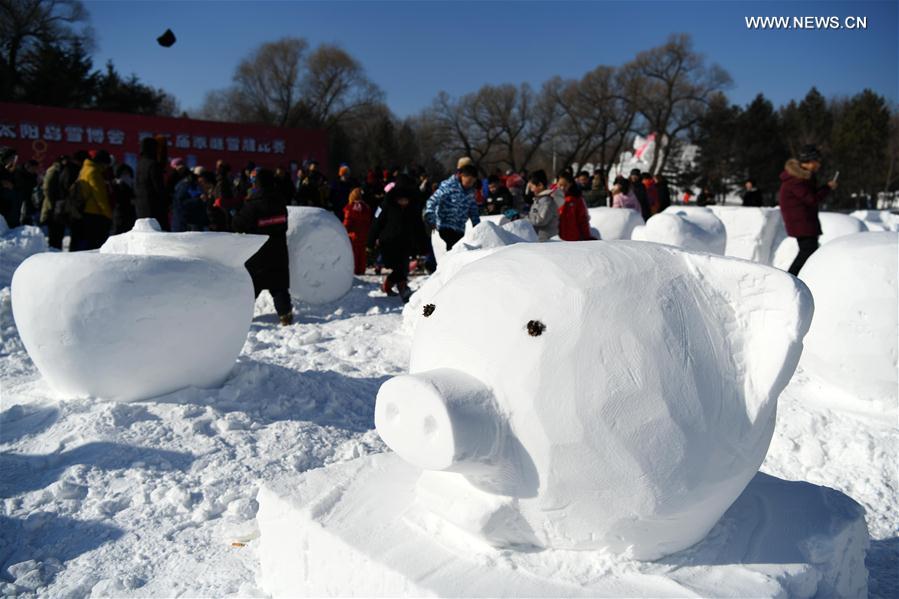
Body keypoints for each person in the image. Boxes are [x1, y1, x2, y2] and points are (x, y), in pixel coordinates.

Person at [231, 168, 293, 326]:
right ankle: (285, 315)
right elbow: (284, 224)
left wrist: (232, 214)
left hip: (258, 253)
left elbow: (238, 224)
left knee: (252, 287)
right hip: (278, 250)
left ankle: (241, 317)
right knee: (279, 286)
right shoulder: (280, 201)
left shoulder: (252, 204)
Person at [778, 145, 837, 276]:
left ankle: (798, 278)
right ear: (810, 161)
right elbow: (811, 199)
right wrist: (827, 188)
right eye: (817, 161)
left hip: (804, 222)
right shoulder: (796, 180)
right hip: (801, 223)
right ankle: (790, 279)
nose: (819, 164)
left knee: (809, 252)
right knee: (807, 252)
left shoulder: (802, 178)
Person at [368, 184, 426, 303]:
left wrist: (422, 245)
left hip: (405, 243)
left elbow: (418, 228)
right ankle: (397, 287)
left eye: (406, 200)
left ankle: (397, 287)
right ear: (395, 198)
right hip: (388, 243)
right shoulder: (386, 206)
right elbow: (376, 224)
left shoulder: (412, 209)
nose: (404, 202)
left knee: (403, 267)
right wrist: (370, 242)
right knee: (399, 268)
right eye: (401, 199)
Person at [424, 163, 480, 251]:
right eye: (468, 181)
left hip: (460, 228)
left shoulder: (471, 193)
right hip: (444, 226)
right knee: (451, 251)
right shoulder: (448, 186)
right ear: (462, 176)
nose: (470, 184)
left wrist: (477, 227)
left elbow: (474, 212)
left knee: (459, 251)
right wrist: (430, 217)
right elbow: (432, 201)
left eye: (472, 182)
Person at [73, 149, 113, 250]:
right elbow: (100, 195)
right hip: (95, 212)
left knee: (86, 242)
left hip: (85, 211)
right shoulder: (94, 172)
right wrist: (108, 214)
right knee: (95, 245)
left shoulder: (85, 169)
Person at [135, 137, 169, 229]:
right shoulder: (153, 164)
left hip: (141, 207)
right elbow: (159, 188)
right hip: (154, 208)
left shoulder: (140, 164)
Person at [556, 171, 594, 241]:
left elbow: (583, 219)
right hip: (556, 239)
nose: (562, 188)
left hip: (572, 238)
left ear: (570, 184)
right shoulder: (552, 197)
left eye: (565, 185)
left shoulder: (576, 199)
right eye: (560, 185)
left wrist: (587, 236)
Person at [343, 187, 372, 275]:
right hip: (364, 234)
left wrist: (343, 229)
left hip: (353, 235)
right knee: (362, 253)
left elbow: (347, 222)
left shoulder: (350, 208)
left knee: (354, 253)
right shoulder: (366, 207)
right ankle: (361, 269)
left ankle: (355, 270)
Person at [40, 155, 67, 248]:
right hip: (52, 206)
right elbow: (46, 188)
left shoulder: (60, 170)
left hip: (57, 205)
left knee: (58, 232)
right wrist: (51, 203)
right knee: (53, 232)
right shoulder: (53, 170)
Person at [526, 170, 559, 241]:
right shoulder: (538, 200)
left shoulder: (547, 201)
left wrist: (526, 220)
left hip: (548, 240)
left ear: (540, 185)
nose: (531, 190)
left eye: (532, 187)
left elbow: (541, 220)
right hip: (539, 238)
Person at [111, 163, 137, 234]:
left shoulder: (132, 185)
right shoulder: (116, 185)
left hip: (130, 215)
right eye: (124, 173)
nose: (126, 175)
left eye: (127, 173)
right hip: (119, 215)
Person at [0, 147, 19, 227]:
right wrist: (2, 183)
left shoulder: (7, 168)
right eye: (11, 158)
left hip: (6, 205)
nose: (13, 160)